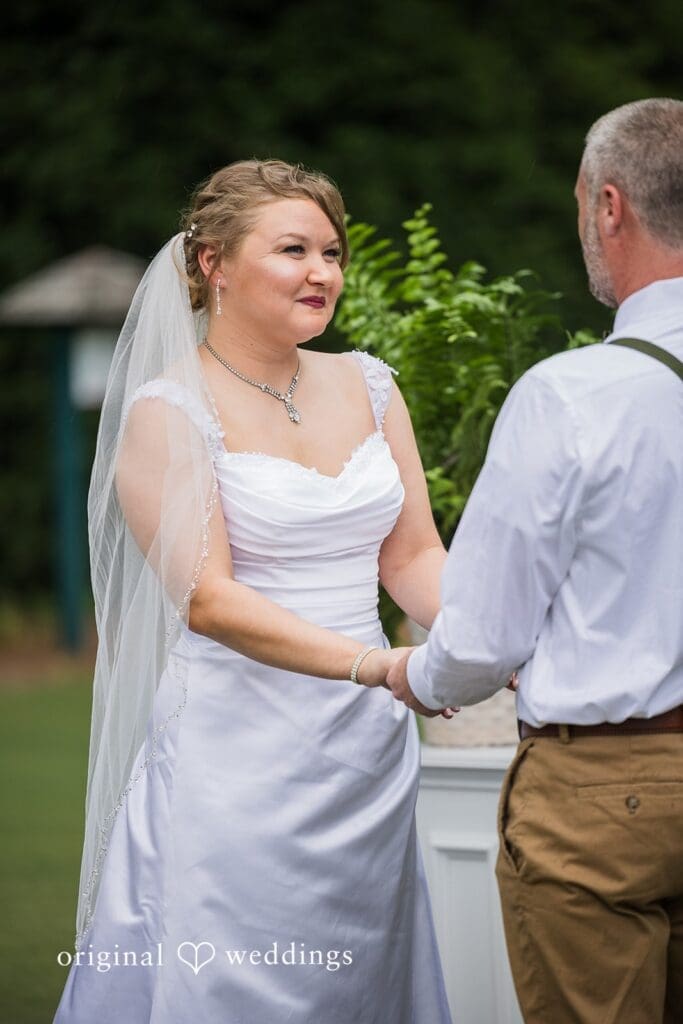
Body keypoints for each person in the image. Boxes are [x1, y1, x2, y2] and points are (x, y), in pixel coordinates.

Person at [53, 159, 454, 1023]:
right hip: (239, 753)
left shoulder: (371, 385)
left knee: (358, 981)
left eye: (333, 252)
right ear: (213, 264)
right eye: (293, 250)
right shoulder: (168, 409)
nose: (323, 272)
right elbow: (208, 599)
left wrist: (483, 639)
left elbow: (413, 554)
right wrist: (374, 665)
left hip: (366, 751)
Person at [387, 98, 683, 1023]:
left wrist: (416, 675)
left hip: (609, 793)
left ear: (608, 206)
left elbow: (480, 636)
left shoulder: (572, 395)